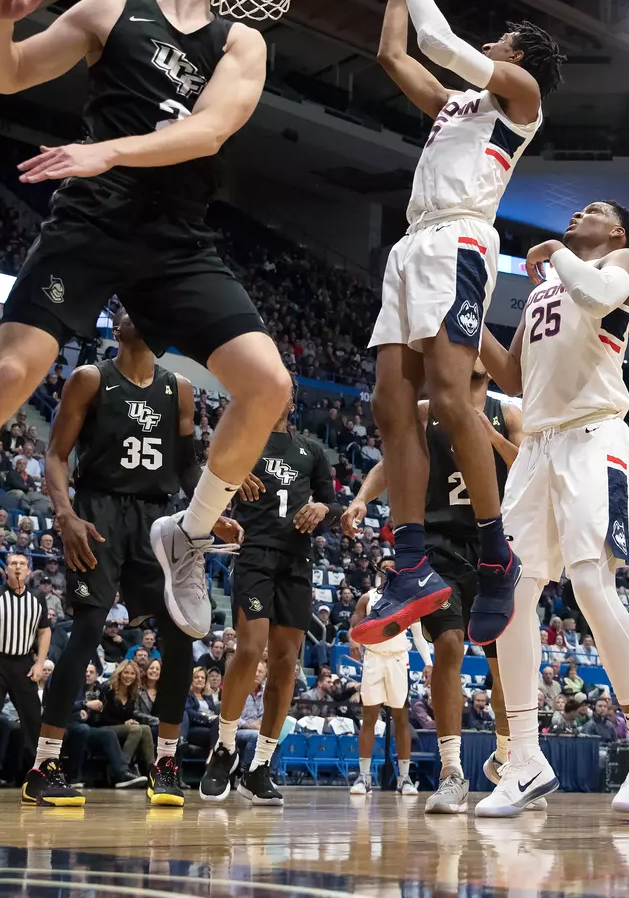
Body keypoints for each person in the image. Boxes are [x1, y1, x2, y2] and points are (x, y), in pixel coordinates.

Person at [0, 0, 293, 648]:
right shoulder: (113, 9)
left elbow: (209, 130)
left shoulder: (240, 41)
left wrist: (110, 149)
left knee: (268, 384)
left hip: (175, 236)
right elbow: (5, 75)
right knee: (9, 374)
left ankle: (189, 533)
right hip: (93, 220)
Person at [354, 0, 563, 648]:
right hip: (412, 247)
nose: (489, 43)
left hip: (460, 243)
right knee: (390, 404)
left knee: (448, 397)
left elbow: (436, 40)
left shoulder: (521, 99)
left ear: (520, 57)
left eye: (500, 41)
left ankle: (492, 551)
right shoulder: (457, 106)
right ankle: (408, 562)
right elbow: (394, 55)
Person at [476, 201, 629, 816]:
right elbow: (511, 372)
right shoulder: (545, 290)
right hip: (537, 445)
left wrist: (550, 257)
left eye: (591, 209)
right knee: (512, 593)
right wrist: (466, 316)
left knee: (591, 583)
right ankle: (526, 758)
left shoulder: (623, 261)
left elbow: (593, 296)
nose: (576, 214)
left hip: (594, 436)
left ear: (615, 229)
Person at [25, 307, 238, 808]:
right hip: (98, 513)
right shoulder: (90, 378)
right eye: (124, 307)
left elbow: (187, 469)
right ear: (115, 326)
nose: (133, 311)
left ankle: (165, 765)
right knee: (86, 634)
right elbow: (56, 455)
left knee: (182, 634)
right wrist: (65, 515)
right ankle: (44, 766)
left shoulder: (179, 389)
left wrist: (210, 512)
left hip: (159, 520)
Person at [343, 361, 524, 814]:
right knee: (448, 644)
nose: (471, 366)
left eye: (480, 368)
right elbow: (393, 461)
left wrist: (488, 436)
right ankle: (451, 771)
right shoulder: (428, 411)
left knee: (505, 670)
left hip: (493, 544)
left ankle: (509, 762)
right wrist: (362, 498)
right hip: (440, 544)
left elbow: (529, 467)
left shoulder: (510, 413)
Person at [200, 391, 341, 806]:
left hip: (296, 561)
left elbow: (332, 504)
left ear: (292, 402)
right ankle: (224, 748)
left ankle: (259, 766)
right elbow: (207, 470)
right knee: (249, 648)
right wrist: (230, 474)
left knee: (285, 665)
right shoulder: (244, 437)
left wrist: (321, 509)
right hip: (256, 554)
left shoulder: (312, 450)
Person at [348, 559, 432, 797]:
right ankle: (364, 777)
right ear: (378, 571)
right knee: (369, 719)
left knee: (401, 719)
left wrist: (428, 663)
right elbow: (354, 626)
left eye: (393, 565)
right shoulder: (367, 598)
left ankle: (404, 779)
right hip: (373, 658)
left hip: (397, 659)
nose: (388, 569)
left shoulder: (408, 599)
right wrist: (353, 639)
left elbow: (418, 635)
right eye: (384, 565)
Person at [0, 552, 50, 792]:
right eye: (13, 563)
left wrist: (39, 663)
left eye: (22, 564)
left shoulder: (38, 597)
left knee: (33, 720)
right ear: (5, 570)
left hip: (24, 664)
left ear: (28, 571)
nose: (18, 567)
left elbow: (44, 631)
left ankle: (34, 774)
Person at [99, 660, 155, 773]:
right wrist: (124, 723)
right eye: (126, 673)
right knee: (136, 729)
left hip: (122, 727)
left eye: (132, 673)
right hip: (104, 726)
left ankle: (152, 770)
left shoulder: (132, 692)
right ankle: (122, 769)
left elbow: (129, 715)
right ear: (119, 673)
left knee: (146, 728)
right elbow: (102, 716)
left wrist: (131, 721)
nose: (129, 676)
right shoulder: (108, 688)